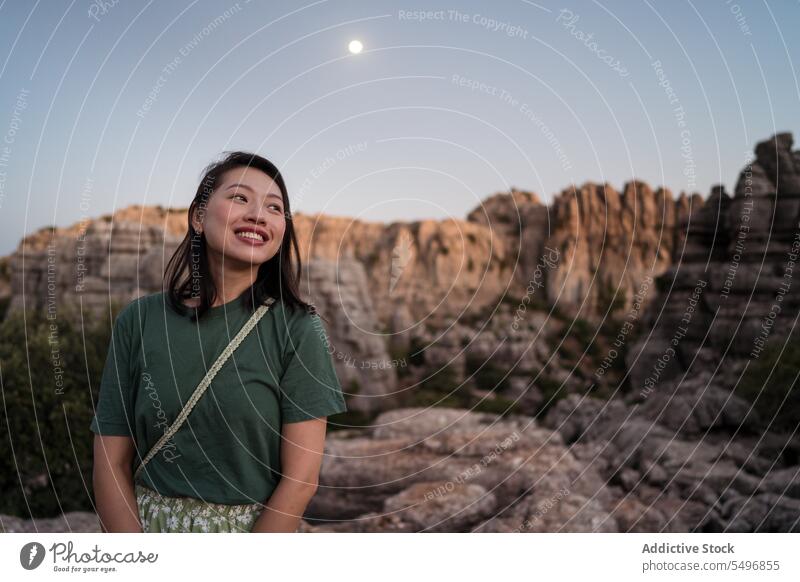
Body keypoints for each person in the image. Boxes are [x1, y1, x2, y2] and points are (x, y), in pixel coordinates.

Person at [90, 151, 347, 532]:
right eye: (240, 198)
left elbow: (301, 480)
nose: (258, 215)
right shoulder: (139, 320)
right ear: (198, 216)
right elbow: (111, 461)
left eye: (274, 208)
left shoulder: (297, 328)